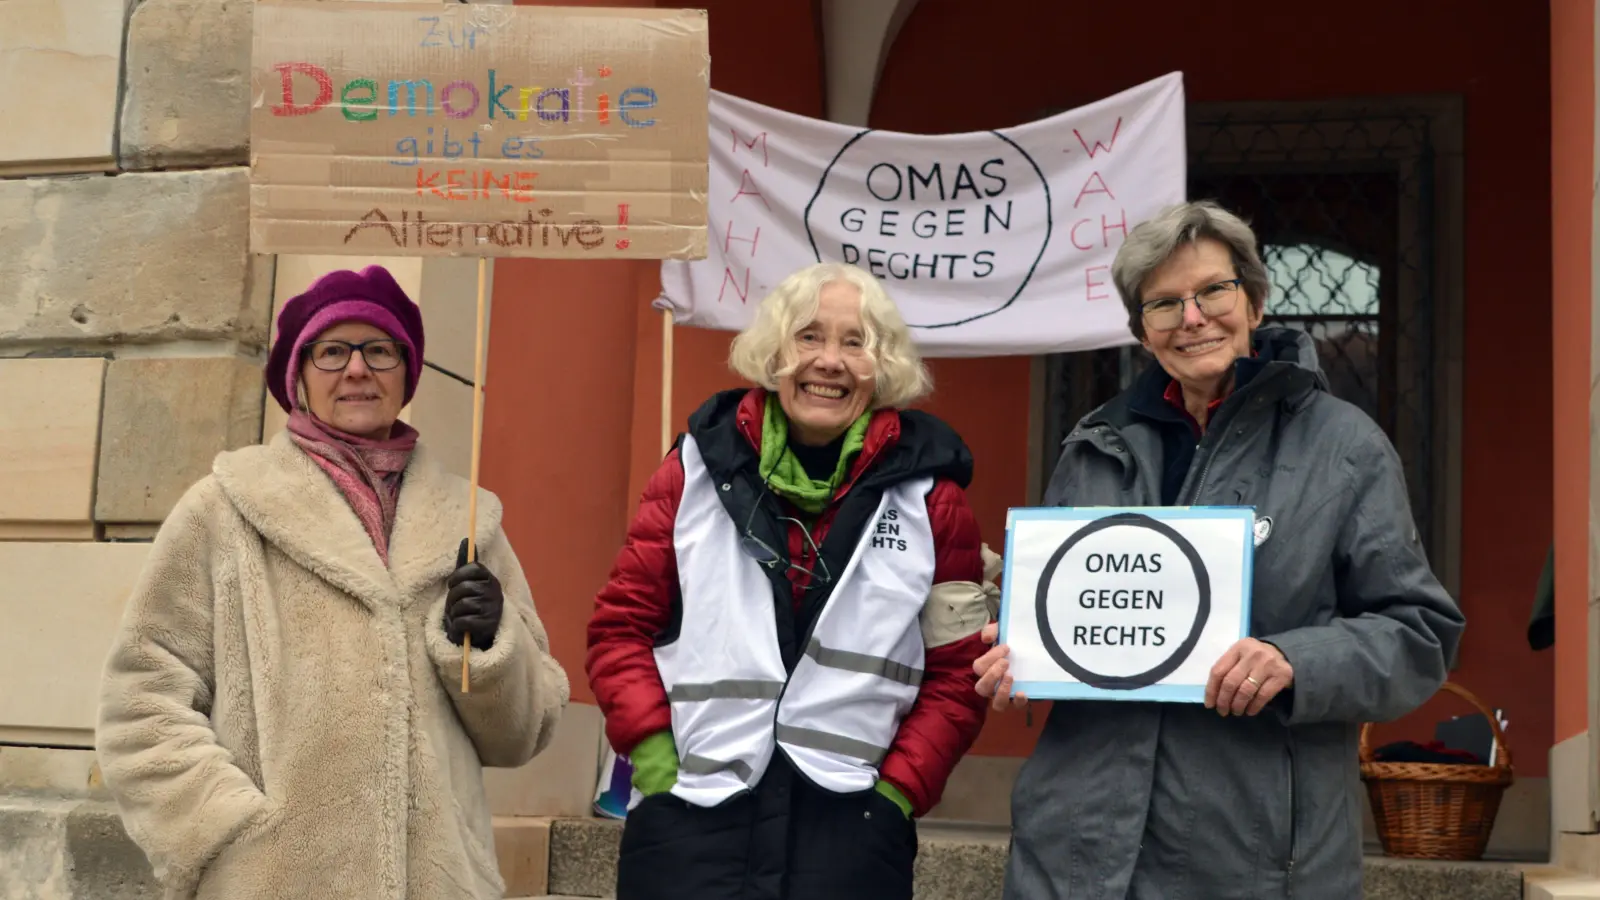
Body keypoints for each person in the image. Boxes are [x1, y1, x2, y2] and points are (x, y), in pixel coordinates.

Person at [977, 201, 1466, 900]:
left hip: (1252, 860)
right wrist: (1019, 647)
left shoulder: (1344, 446)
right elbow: (1066, 612)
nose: (1192, 317)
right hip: (1076, 852)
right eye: (1164, 303)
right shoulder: (1094, 444)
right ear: (1142, 331)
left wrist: (1295, 660)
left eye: (1213, 291)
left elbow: (1419, 635)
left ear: (1255, 303)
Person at [94, 266, 569, 900]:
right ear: (298, 375)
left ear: (406, 373)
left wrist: (491, 649)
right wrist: (227, 831)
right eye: (332, 351)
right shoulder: (224, 508)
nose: (357, 369)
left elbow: (524, 733)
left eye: (379, 349)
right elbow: (141, 700)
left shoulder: (471, 523)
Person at [586, 262, 994, 900]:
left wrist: (897, 794)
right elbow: (619, 629)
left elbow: (959, 673)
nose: (829, 361)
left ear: (882, 366)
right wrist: (658, 763)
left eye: (855, 342)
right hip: (691, 817)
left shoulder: (933, 500)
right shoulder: (691, 472)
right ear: (775, 352)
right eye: (808, 336)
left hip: (851, 833)